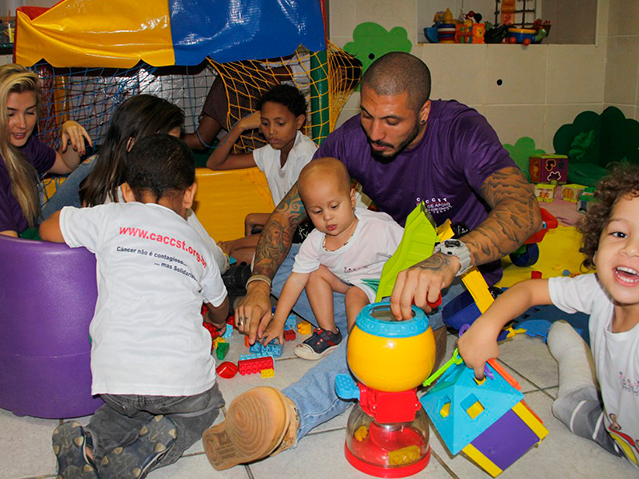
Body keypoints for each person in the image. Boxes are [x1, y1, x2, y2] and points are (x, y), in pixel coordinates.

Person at [202, 51, 542, 470]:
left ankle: (289, 414)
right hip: (374, 269)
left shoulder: (461, 131)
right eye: (367, 115)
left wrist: (451, 258)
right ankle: (360, 333)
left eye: (391, 121)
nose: (375, 132)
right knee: (289, 262)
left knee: (395, 319)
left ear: (423, 112)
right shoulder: (351, 139)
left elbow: (524, 209)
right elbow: (286, 216)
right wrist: (257, 283)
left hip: (453, 278)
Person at [40, 134, 229, 479]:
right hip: (181, 382)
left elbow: (47, 229)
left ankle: (90, 444)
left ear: (127, 191)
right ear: (189, 194)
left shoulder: (109, 217)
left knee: (120, 414)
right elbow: (220, 306)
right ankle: (158, 445)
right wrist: (216, 319)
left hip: (117, 381)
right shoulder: (197, 246)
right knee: (208, 405)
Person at [459, 163, 639, 466]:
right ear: (597, 244)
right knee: (566, 407)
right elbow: (529, 290)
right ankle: (576, 353)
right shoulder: (598, 290)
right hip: (618, 434)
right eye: (620, 233)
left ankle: (576, 353)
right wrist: (486, 325)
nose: (631, 249)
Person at [41, 94, 229, 272]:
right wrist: (222, 258)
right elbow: (214, 260)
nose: (173, 157)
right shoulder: (152, 195)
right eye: (165, 149)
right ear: (131, 145)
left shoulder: (101, 182)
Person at [262, 158, 404, 360]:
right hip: (350, 280)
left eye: (334, 206)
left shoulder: (378, 227)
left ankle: (359, 347)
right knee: (313, 272)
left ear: (352, 199)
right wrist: (278, 321)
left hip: (384, 283)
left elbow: (411, 251)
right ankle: (329, 332)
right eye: (317, 211)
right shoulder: (314, 241)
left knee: (354, 295)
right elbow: (296, 280)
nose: (327, 217)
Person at [0, 64, 90, 236]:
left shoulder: (22, 143)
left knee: (95, 164)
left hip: (24, 233)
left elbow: (67, 165)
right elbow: (5, 247)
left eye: (29, 113)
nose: (22, 124)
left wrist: (70, 131)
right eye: (10, 114)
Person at [206, 84, 317, 265]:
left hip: (310, 233)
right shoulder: (271, 151)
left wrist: (255, 223)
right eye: (265, 123)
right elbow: (215, 163)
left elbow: (304, 216)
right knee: (232, 248)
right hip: (285, 228)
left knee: (235, 251)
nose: (271, 130)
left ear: (299, 122)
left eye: (280, 123)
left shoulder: (304, 153)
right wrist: (239, 127)